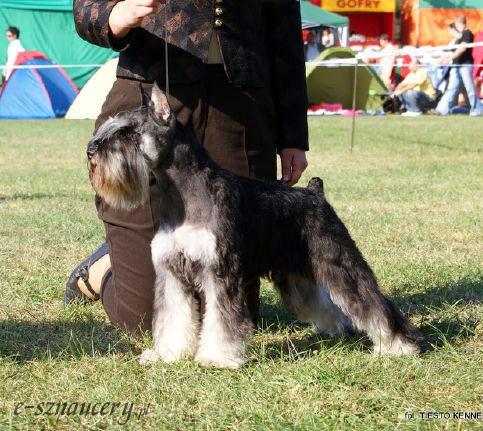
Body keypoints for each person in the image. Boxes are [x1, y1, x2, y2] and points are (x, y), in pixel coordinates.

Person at [67, 0, 309, 333]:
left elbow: (285, 31)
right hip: (151, 88)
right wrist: (114, 15)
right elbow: (86, 7)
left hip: (241, 105)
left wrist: (292, 135)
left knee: (236, 315)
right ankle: (100, 269)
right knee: (145, 321)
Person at [436, 16, 483, 116]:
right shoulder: (460, 36)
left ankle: (477, 109)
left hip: (465, 65)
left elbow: (462, 48)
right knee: (451, 88)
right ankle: (441, 110)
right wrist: (444, 58)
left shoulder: (467, 33)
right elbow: (454, 50)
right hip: (456, 66)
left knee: (470, 89)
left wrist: (450, 57)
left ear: (458, 24)